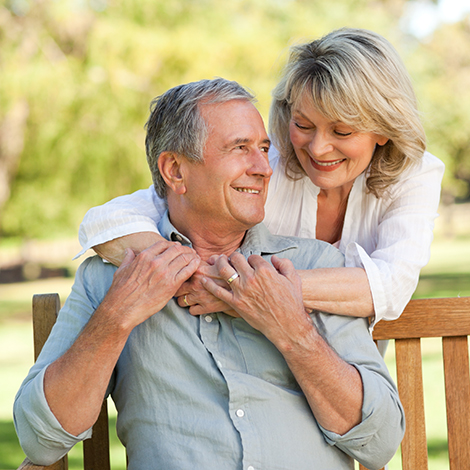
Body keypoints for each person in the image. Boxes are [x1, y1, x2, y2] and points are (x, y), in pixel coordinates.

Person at [14, 78, 404, 470]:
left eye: (264, 149)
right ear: (175, 171)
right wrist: (117, 316)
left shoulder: (314, 265)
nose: (263, 169)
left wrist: (291, 328)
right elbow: (42, 440)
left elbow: (380, 441)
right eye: (239, 149)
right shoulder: (113, 277)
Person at [76, 28, 445, 328]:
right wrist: (203, 275)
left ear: (383, 130)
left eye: (342, 132)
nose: (317, 148)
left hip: (342, 377)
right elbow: (106, 222)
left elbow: (392, 287)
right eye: (303, 125)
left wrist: (251, 290)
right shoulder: (264, 167)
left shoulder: (415, 174)